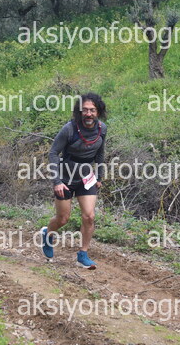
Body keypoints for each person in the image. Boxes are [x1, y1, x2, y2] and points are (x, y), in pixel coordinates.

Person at [41, 93, 107, 269]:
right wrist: (56, 181)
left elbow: (100, 153)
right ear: (79, 111)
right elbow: (53, 153)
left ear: (98, 112)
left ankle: (82, 255)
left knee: (89, 216)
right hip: (65, 178)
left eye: (92, 110)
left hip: (86, 178)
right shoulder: (69, 129)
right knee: (63, 219)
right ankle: (47, 234)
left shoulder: (102, 129)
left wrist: (99, 177)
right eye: (85, 110)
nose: (88, 114)